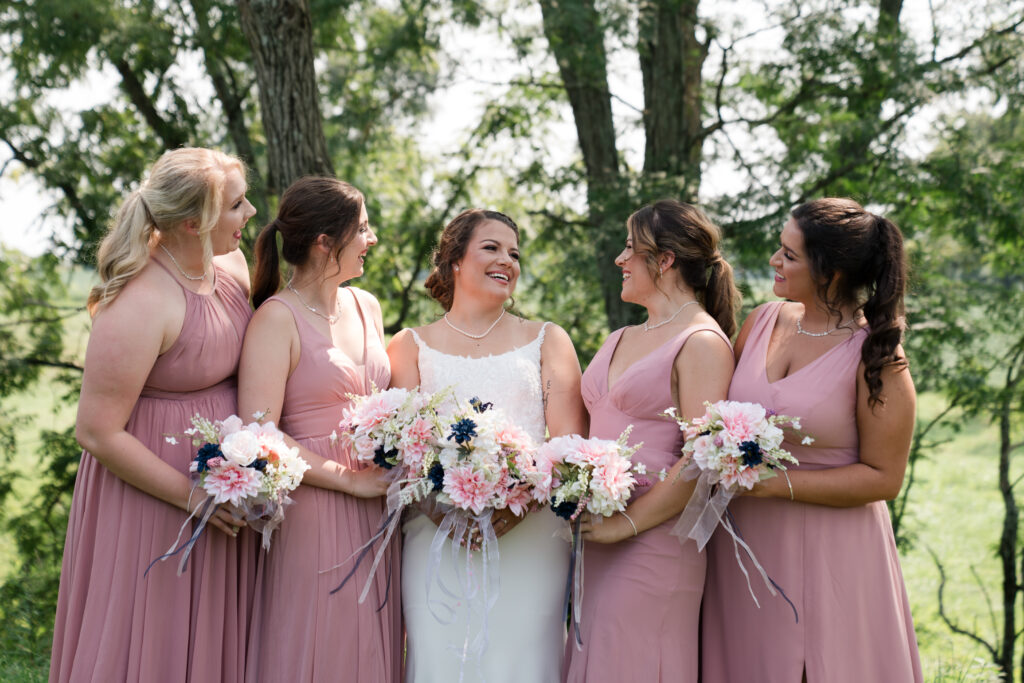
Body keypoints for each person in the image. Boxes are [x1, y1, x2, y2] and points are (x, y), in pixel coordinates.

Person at [50, 148, 258, 683]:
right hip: (152, 492)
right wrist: (191, 496)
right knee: (149, 639)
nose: (252, 213)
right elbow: (95, 430)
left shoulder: (232, 266)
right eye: (236, 206)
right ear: (194, 223)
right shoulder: (141, 300)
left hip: (221, 481)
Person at [701, 197, 922, 683]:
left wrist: (774, 486)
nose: (775, 261)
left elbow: (885, 477)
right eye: (780, 249)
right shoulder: (762, 320)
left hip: (833, 556)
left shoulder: (876, 352)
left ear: (833, 273)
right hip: (742, 550)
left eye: (790, 255)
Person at [388, 208, 588, 682]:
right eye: (492, 248)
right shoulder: (409, 345)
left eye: (515, 253)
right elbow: (402, 453)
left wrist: (515, 509)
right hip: (436, 532)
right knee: (442, 659)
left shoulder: (546, 340)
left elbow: (566, 447)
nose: (508, 261)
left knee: (521, 661)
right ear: (455, 260)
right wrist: (443, 511)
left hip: (531, 532)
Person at [566, 200, 737, 682]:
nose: (620, 260)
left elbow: (702, 459)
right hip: (597, 537)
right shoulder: (621, 336)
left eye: (629, 248)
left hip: (654, 540)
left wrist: (628, 525)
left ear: (664, 260)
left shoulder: (701, 342)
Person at [238, 177, 399, 682]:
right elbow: (259, 433)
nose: (371, 240)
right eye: (363, 230)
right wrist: (348, 480)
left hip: (379, 505)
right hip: (315, 505)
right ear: (325, 242)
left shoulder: (366, 305)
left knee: (375, 645)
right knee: (320, 644)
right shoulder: (275, 319)